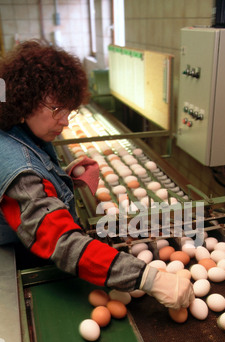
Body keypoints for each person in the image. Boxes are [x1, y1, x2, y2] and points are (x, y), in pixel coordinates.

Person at [0, 40, 194, 310]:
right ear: (25, 100)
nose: (66, 121)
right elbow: (62, 243)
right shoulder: (20, 171)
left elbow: (27, 181)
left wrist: (62, 179)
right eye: (57, 110)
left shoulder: (16, 130)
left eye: (70, 110)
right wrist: (150, 279)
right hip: (24, 265)